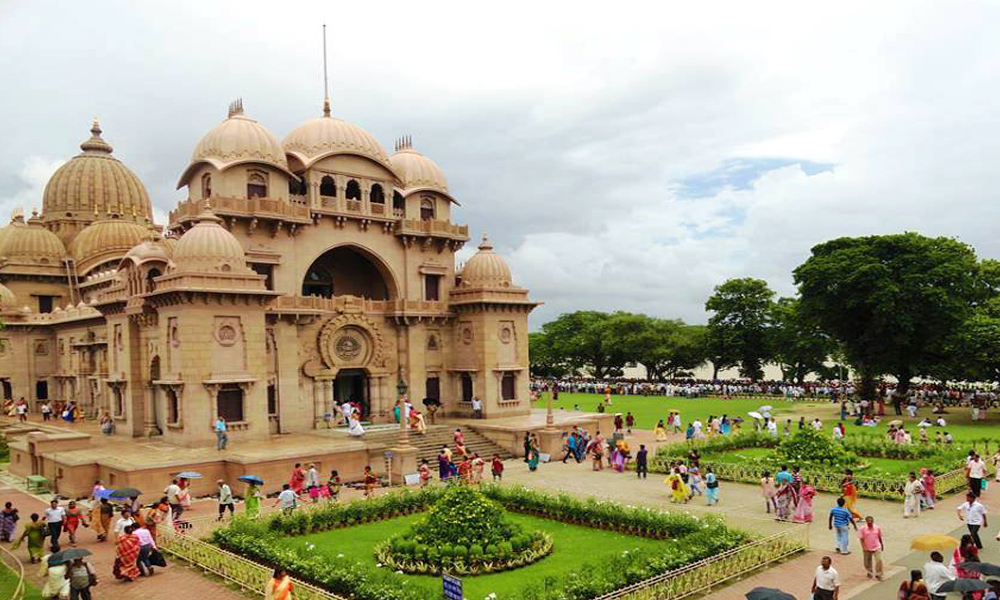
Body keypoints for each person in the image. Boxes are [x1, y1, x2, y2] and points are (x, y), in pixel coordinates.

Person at [858, 515, 884, 580]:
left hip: (877, 547)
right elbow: (861, 539)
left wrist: (882, 544)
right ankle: (869, 571)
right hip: (867, 547)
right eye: (868, 522)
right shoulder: (862, 529)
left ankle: (879, 574)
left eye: (871, 522)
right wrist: (863, 547)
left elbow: (879, 537)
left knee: (879, 560)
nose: (870, 524)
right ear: (866, 522)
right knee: (867, 562)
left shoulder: (877, 528)